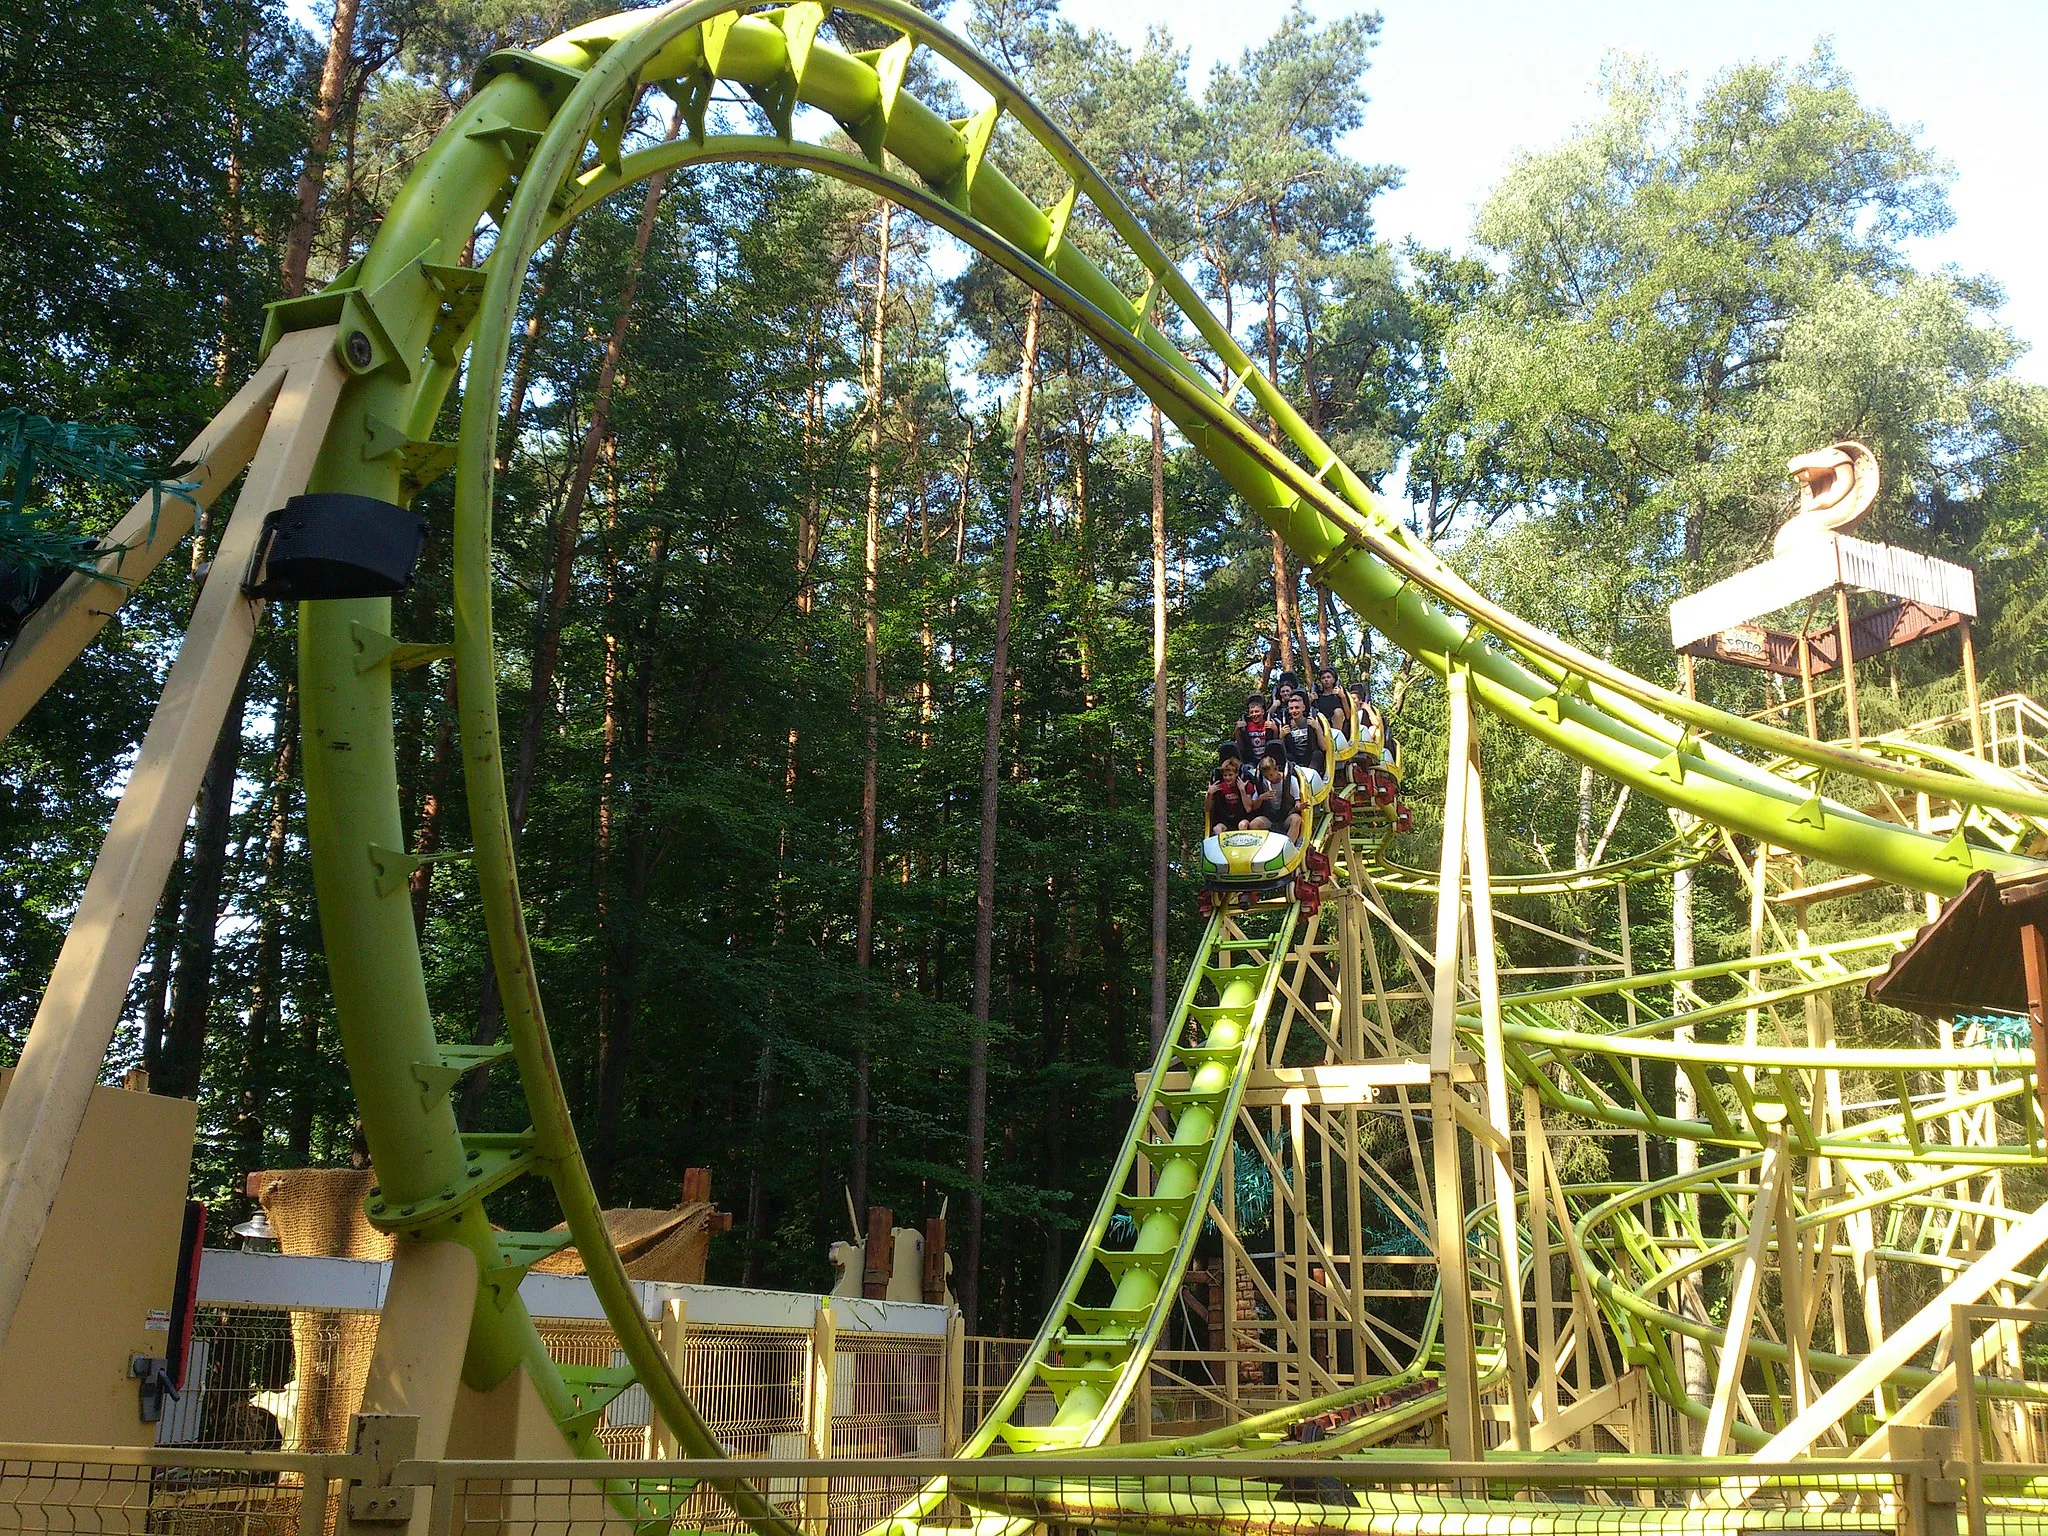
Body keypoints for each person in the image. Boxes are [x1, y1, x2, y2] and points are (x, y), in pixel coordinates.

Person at [1244, 746, 1302, 844]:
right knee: (1254, 824)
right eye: (1266, 776)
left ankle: (1287, 846)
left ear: (1276, 769)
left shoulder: (1291, 780)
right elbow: (1254, 807)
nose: (1269, 779)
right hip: (1270, 818)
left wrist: (1298, 806)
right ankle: (1263, 848)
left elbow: (1297, 801)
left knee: (1296, 819)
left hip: (1286, 816)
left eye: (1271, 775)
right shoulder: (1261, 783)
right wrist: (1261, 798)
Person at [1278, 690, 1330, 776]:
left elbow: (1324, 747)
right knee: (1286, 757)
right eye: (1291, 708)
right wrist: (1281, 737)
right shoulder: (1286, 725)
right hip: (1295, 760)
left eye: (1297, 708)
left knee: (1317, 754)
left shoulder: (1312, 722)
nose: (1294, 711)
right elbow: (1281, 750)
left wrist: (1317, 728)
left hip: (1310, 758)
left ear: (1303, 708)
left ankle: (1310, 777)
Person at [1206, 755, 1250, 836]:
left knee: (1242, 825)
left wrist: (1242, 790)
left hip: (1242, 819)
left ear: (1236, 773)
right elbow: (1207, 809)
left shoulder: (1245, 785)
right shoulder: (1219, 787)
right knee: (1217, 829)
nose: (1227, 778)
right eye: (1225, 775)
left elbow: (1248, 809)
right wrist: (1209, 794)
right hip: (1226, 821)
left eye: (1230, 775)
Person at [1311, 665, 1351, 741]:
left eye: (1328, 677)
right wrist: (1310, 701)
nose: (1326, 680)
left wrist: (1343, 697)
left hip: (1338, 728)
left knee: (1338, 711)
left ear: (1333, 680)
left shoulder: (1339, 695)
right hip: (1321, 727)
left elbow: (1348, 716)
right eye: (1323, 678)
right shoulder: (1317, 697)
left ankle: (1334, 740)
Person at [1236, 695, 1276, 767]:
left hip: (1268, 759)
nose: (1254, 714)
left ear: (1263, 712)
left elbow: (1276, 743)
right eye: (1251, 712)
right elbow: (1241, 747)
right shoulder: (1246, 725)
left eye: (1257, 711)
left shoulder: (1269, 723)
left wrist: (1275, 729)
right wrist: (1237, 731)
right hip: (1251, 760)